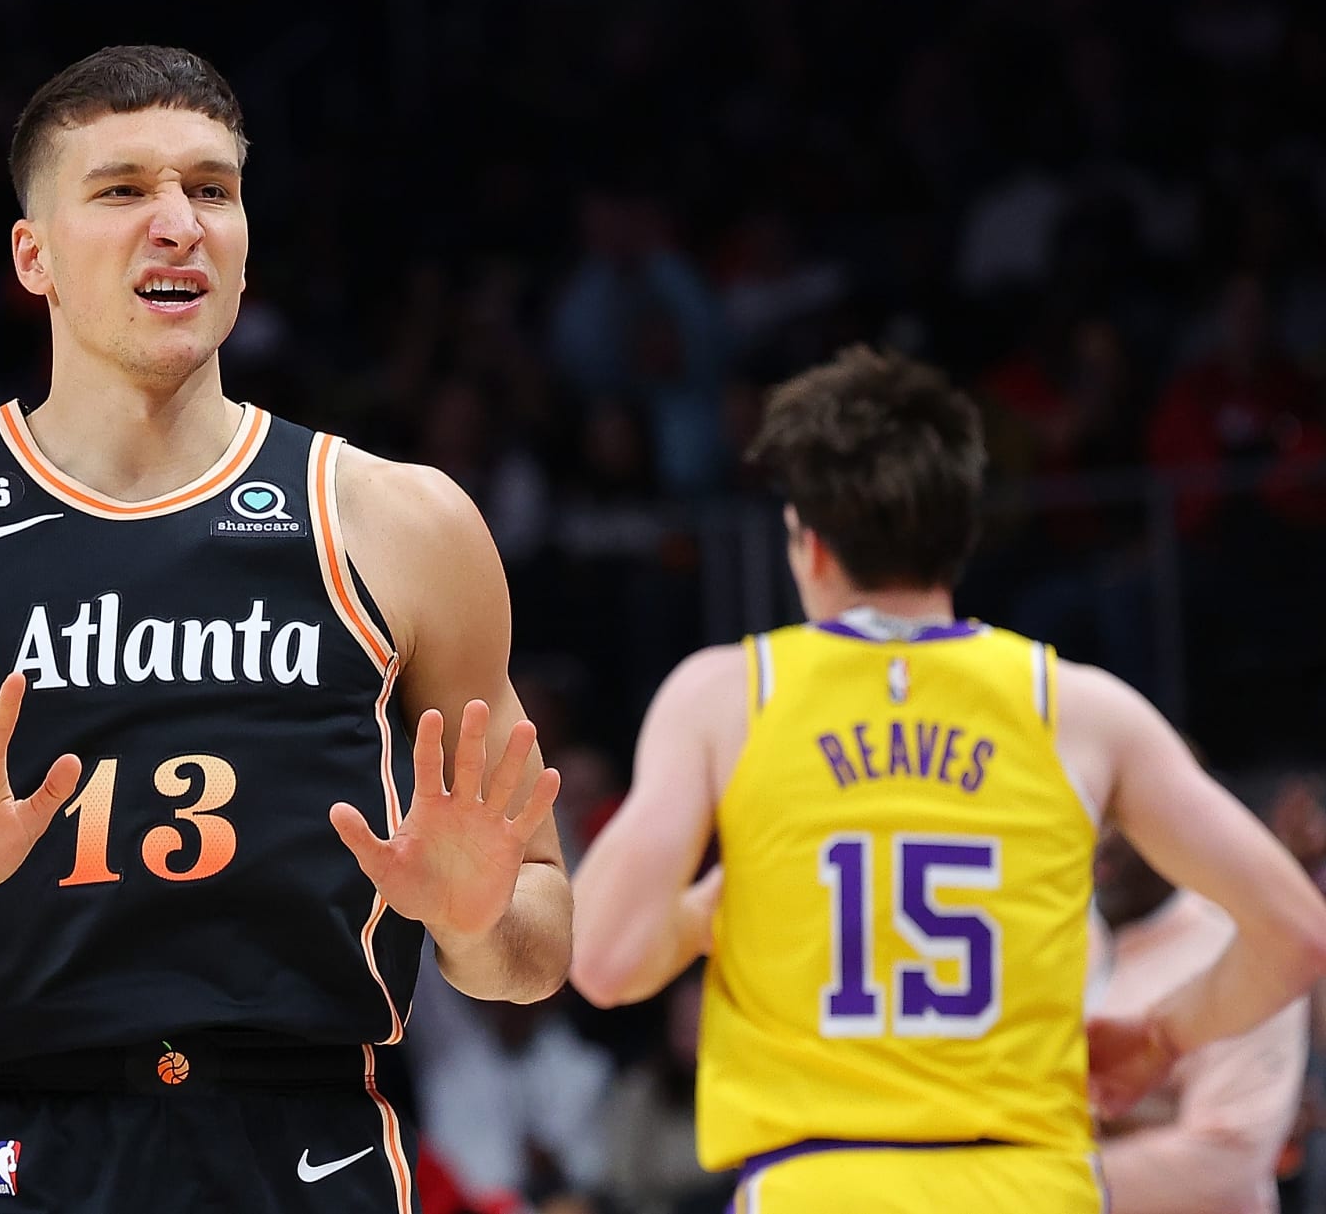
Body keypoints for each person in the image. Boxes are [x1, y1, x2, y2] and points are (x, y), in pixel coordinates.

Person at [0, 44, 571, 1214]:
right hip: (16, 1149)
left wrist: (476, 925)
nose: (178, 222)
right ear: (34, 255)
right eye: (121, 190)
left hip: (312, 1146)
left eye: (211, 188)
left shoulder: (403, 523)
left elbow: (537, 939)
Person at [568, 345, 1326, 1212]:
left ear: (809, 545)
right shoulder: (1078, 708)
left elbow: (602, 958)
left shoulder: (728, 695)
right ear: (961, 538)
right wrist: (1163, 1032)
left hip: (820, 1184)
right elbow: (1298, 932)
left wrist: (710, 910)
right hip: (1028, 1185)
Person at [1092, 827, 1308, 1213]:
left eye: (1117, 816)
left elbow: (1227, 1163)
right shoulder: (1063, 937)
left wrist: (1038, 1178)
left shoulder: (1244, 950)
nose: (1099, 837)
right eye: (1092, 811)